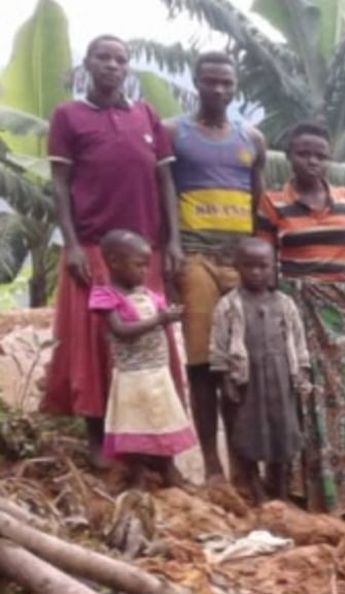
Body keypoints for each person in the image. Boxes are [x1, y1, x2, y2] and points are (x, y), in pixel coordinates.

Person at [42, 35, 180, 465]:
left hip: (144, 252)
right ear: (88, 63)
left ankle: (155, 444)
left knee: (150, 341)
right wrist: (71, 245)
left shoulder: (146, 115)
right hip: (93, 248)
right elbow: (60, 184)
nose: (112, 65)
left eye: (121, 59)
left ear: (128, 67)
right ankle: (98, 438)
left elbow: (165, 182)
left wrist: (172, 241)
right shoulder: (68, 116)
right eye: (103, 57)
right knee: (94, 344)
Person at [256, 122, 345, 513]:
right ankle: (300, 492)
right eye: (304, 153)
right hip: (297, 311)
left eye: (320, 155)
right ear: (290, 156)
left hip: (344, 315)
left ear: (329, 159)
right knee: (302, 394)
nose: (312, 161)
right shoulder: (273, 202)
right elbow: (265, 265)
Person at [166, 50, 266, 481]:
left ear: (235, 87)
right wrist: (171, 246)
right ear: (196, 83)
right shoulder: (174, 133)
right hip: (196, 258)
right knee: (203, 365)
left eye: (227, 83)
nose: (219, 90)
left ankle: (245, 463)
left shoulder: (252, 138)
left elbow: (257, 203)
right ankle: (211, 463)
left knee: (243, 365)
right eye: (211, 81)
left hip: (240, 264)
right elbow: (163, 191)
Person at [89, 230, 195, 488]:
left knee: (162, 418)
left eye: (147, 265)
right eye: (139, 265)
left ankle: (168, 471)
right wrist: (159, 319)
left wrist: (170, 315)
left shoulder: (148, 294)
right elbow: (120, 330)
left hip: (157, 371)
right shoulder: (106, 296)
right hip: (131, 375)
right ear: (114, 262)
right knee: (134, 425)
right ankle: (137, 477)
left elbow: (160, 317)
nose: (145, 271)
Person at [209, 239, 311, 503]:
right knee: (249, 431)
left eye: (263, 266)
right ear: (237, 266)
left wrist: (300, 373)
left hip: (280, 377)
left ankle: (281, 490)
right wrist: (226, 380)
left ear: (273, 267)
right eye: (249, 266)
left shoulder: (285, 303)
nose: (256, 272)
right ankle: (256, 490)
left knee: (283, 431)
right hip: (248, 380)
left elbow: (298, 340)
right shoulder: (229, 305)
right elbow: (219, 347)